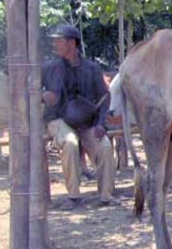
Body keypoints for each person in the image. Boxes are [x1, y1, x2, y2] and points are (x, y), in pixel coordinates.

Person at [41, 24, 116, 210]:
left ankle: (106, 196)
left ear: (72, 43)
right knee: (70, 142)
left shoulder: (92, 69)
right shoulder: (48, 68)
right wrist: (42, 96)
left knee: (105, 146)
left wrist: (100, 123)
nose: (55, 44)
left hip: (87, 122)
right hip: (58, 119)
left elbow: (104, 98)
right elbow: (29, 91)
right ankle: (74, 196)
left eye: (59, 40)